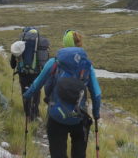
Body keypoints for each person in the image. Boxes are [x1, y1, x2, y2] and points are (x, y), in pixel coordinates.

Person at [23, 30, 101, 158]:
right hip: (79, 118)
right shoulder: (87, 66)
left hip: (56, 117)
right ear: (78, 44)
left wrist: (27, 96)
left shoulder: (53, 62)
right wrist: (96, 114)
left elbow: (36, 85)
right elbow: (96, 94)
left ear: (65, 43)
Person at [10, 27, 50, 120]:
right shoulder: (40, 43)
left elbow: (12, 65)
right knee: (36, 92)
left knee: (25, 92)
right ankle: (35, 113)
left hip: (23, 73)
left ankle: (27, 114)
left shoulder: (19, 43)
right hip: (36, 74)